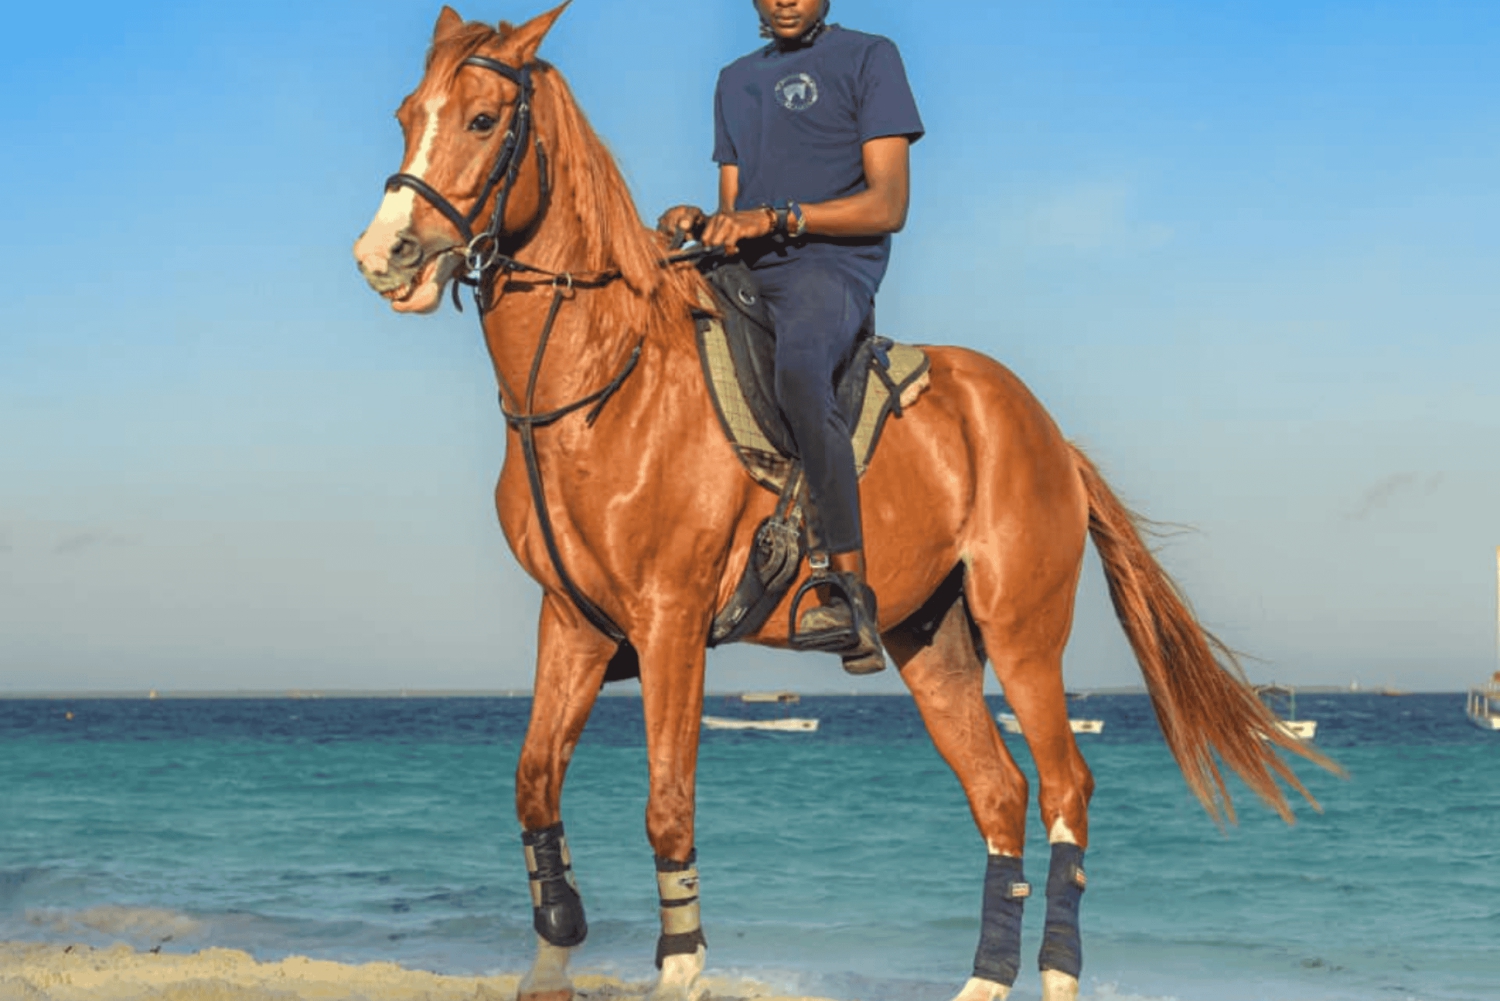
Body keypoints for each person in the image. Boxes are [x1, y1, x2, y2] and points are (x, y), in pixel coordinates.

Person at [658, 0, 924, 674]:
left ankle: (847, 587)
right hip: (743, 268)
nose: (784, 0)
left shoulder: (870, 56)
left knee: (802, 373)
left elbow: (888, 204)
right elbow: (731, 209)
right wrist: (702, 223)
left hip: (830, 266)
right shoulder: (733, 78)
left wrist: (777, 219)